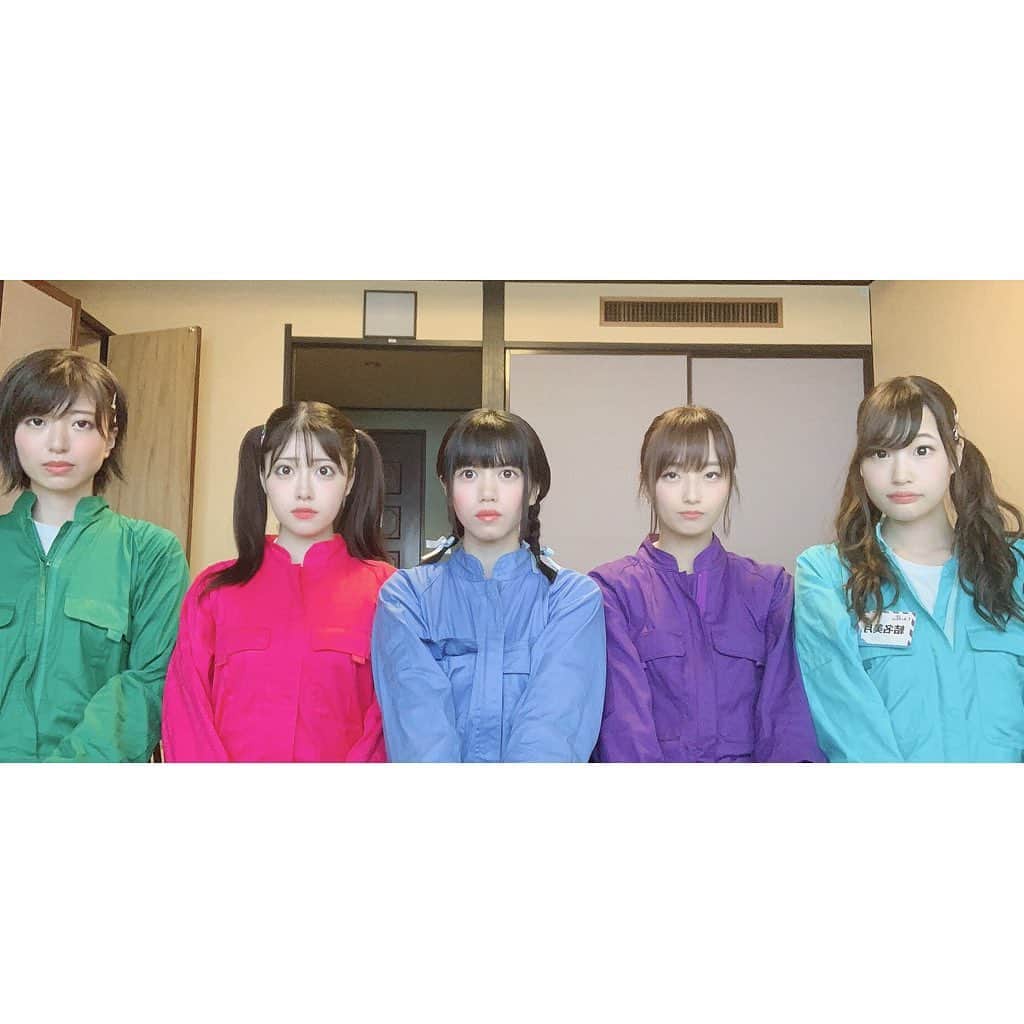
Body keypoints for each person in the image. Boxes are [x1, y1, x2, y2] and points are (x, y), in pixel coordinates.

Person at [794, 376, 1024, 762]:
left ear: (956, 454)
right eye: (881, 453)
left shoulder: (1013, 567)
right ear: (861, 466)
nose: (900, 474)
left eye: (922, 450)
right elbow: (846, 719)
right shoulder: (827, 575)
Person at [162, 402, 394, 761]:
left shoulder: (386, 592)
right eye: (285, 470)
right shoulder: (214, 593)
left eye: (324, 471)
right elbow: (185, 712)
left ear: (349, 480)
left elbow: (392, 716)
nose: (304, 490)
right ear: (262, 477)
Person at [370, 408, 606, 762]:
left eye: (507, 474)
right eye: (468, 474)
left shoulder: (572, 599)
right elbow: (420, 737)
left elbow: (553, 731)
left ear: (534, 490)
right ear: (446, 486)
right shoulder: (405, 597)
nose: (487, 492)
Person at [590, 405, 823, 762]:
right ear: (646, 482)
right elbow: (623, 729)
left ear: (730, 482)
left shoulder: (770, 590)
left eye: (710, 475)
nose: (692, 494)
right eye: (672, 475)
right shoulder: (613, 591)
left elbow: (788, 724)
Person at [0, 348, 189, 761]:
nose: (57, 443)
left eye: (81, 423)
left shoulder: (151, 552)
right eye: (37, 421)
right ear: (12, 433)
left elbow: (152, 682)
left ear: (110, 439)